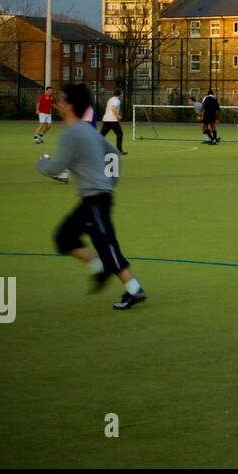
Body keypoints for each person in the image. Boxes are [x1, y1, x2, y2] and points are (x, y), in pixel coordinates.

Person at [36, 83, 147, 309]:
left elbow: (58, 168)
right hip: (93, 198)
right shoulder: (87, 130)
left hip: (96, 198)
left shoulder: (73, 133)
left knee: (106, 245)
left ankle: (134, 289)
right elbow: (114, 155)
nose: (58, 102)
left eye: (62, 99)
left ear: (70, 105)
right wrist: (110, 183)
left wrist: (42, 163)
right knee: (65, 237)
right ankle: (99, 267)